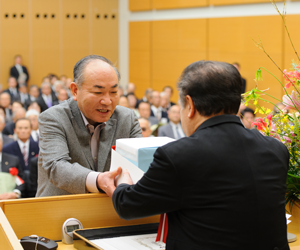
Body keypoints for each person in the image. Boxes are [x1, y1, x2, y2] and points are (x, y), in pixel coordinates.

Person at [100, 61, 289, 250]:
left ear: (189, 105)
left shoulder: (179, 155)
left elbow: (129, 205)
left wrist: (121, 181)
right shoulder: (276, 150)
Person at [36, 55, 142, 197]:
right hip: (60, 210)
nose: (107, 101)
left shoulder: (127, 118)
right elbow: (56, 166)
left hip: (111, 211)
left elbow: (140, 162)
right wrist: (98, 180)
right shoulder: (53, 118)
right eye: (98, 92)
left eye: (114, 92)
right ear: (75, 90)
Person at [3, 118, 39, 198]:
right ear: (15, 130)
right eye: (20, 128)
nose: (23, 131)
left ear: (31, 129)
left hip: (36, 187)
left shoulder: (39, 147)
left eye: (26, 128)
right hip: (16, 189)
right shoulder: (7, 149)